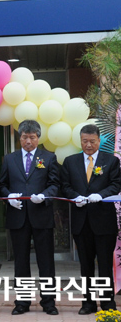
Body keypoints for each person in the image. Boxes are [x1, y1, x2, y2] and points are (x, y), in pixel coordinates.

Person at [0, 119, 59, 316]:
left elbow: (54, 184)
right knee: (21, 262)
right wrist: (9, 197)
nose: (28, 141)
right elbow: (2, 185)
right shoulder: (9, 159)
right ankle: (22, 302)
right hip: (18, 217)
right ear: (20, 138)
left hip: (41, 216)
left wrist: (45, 196)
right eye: (25, 137)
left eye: (32, 137)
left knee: (46, 261)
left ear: (38, 138)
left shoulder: (48, 158)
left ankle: (48, 302)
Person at [60, 124, 121, 314]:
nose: (88, 145)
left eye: (92, 141)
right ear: (80, 140)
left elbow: (116, 185)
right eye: (85, 141)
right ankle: (88, 304)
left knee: (104, 265)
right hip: (81, 221)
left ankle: (107, 304)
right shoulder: (70, 162)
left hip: (104, 222)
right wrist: (74, 197)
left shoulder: (111, 161)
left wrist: (100, 195)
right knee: (85, 266)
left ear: (99, 141)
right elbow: (65, 185)